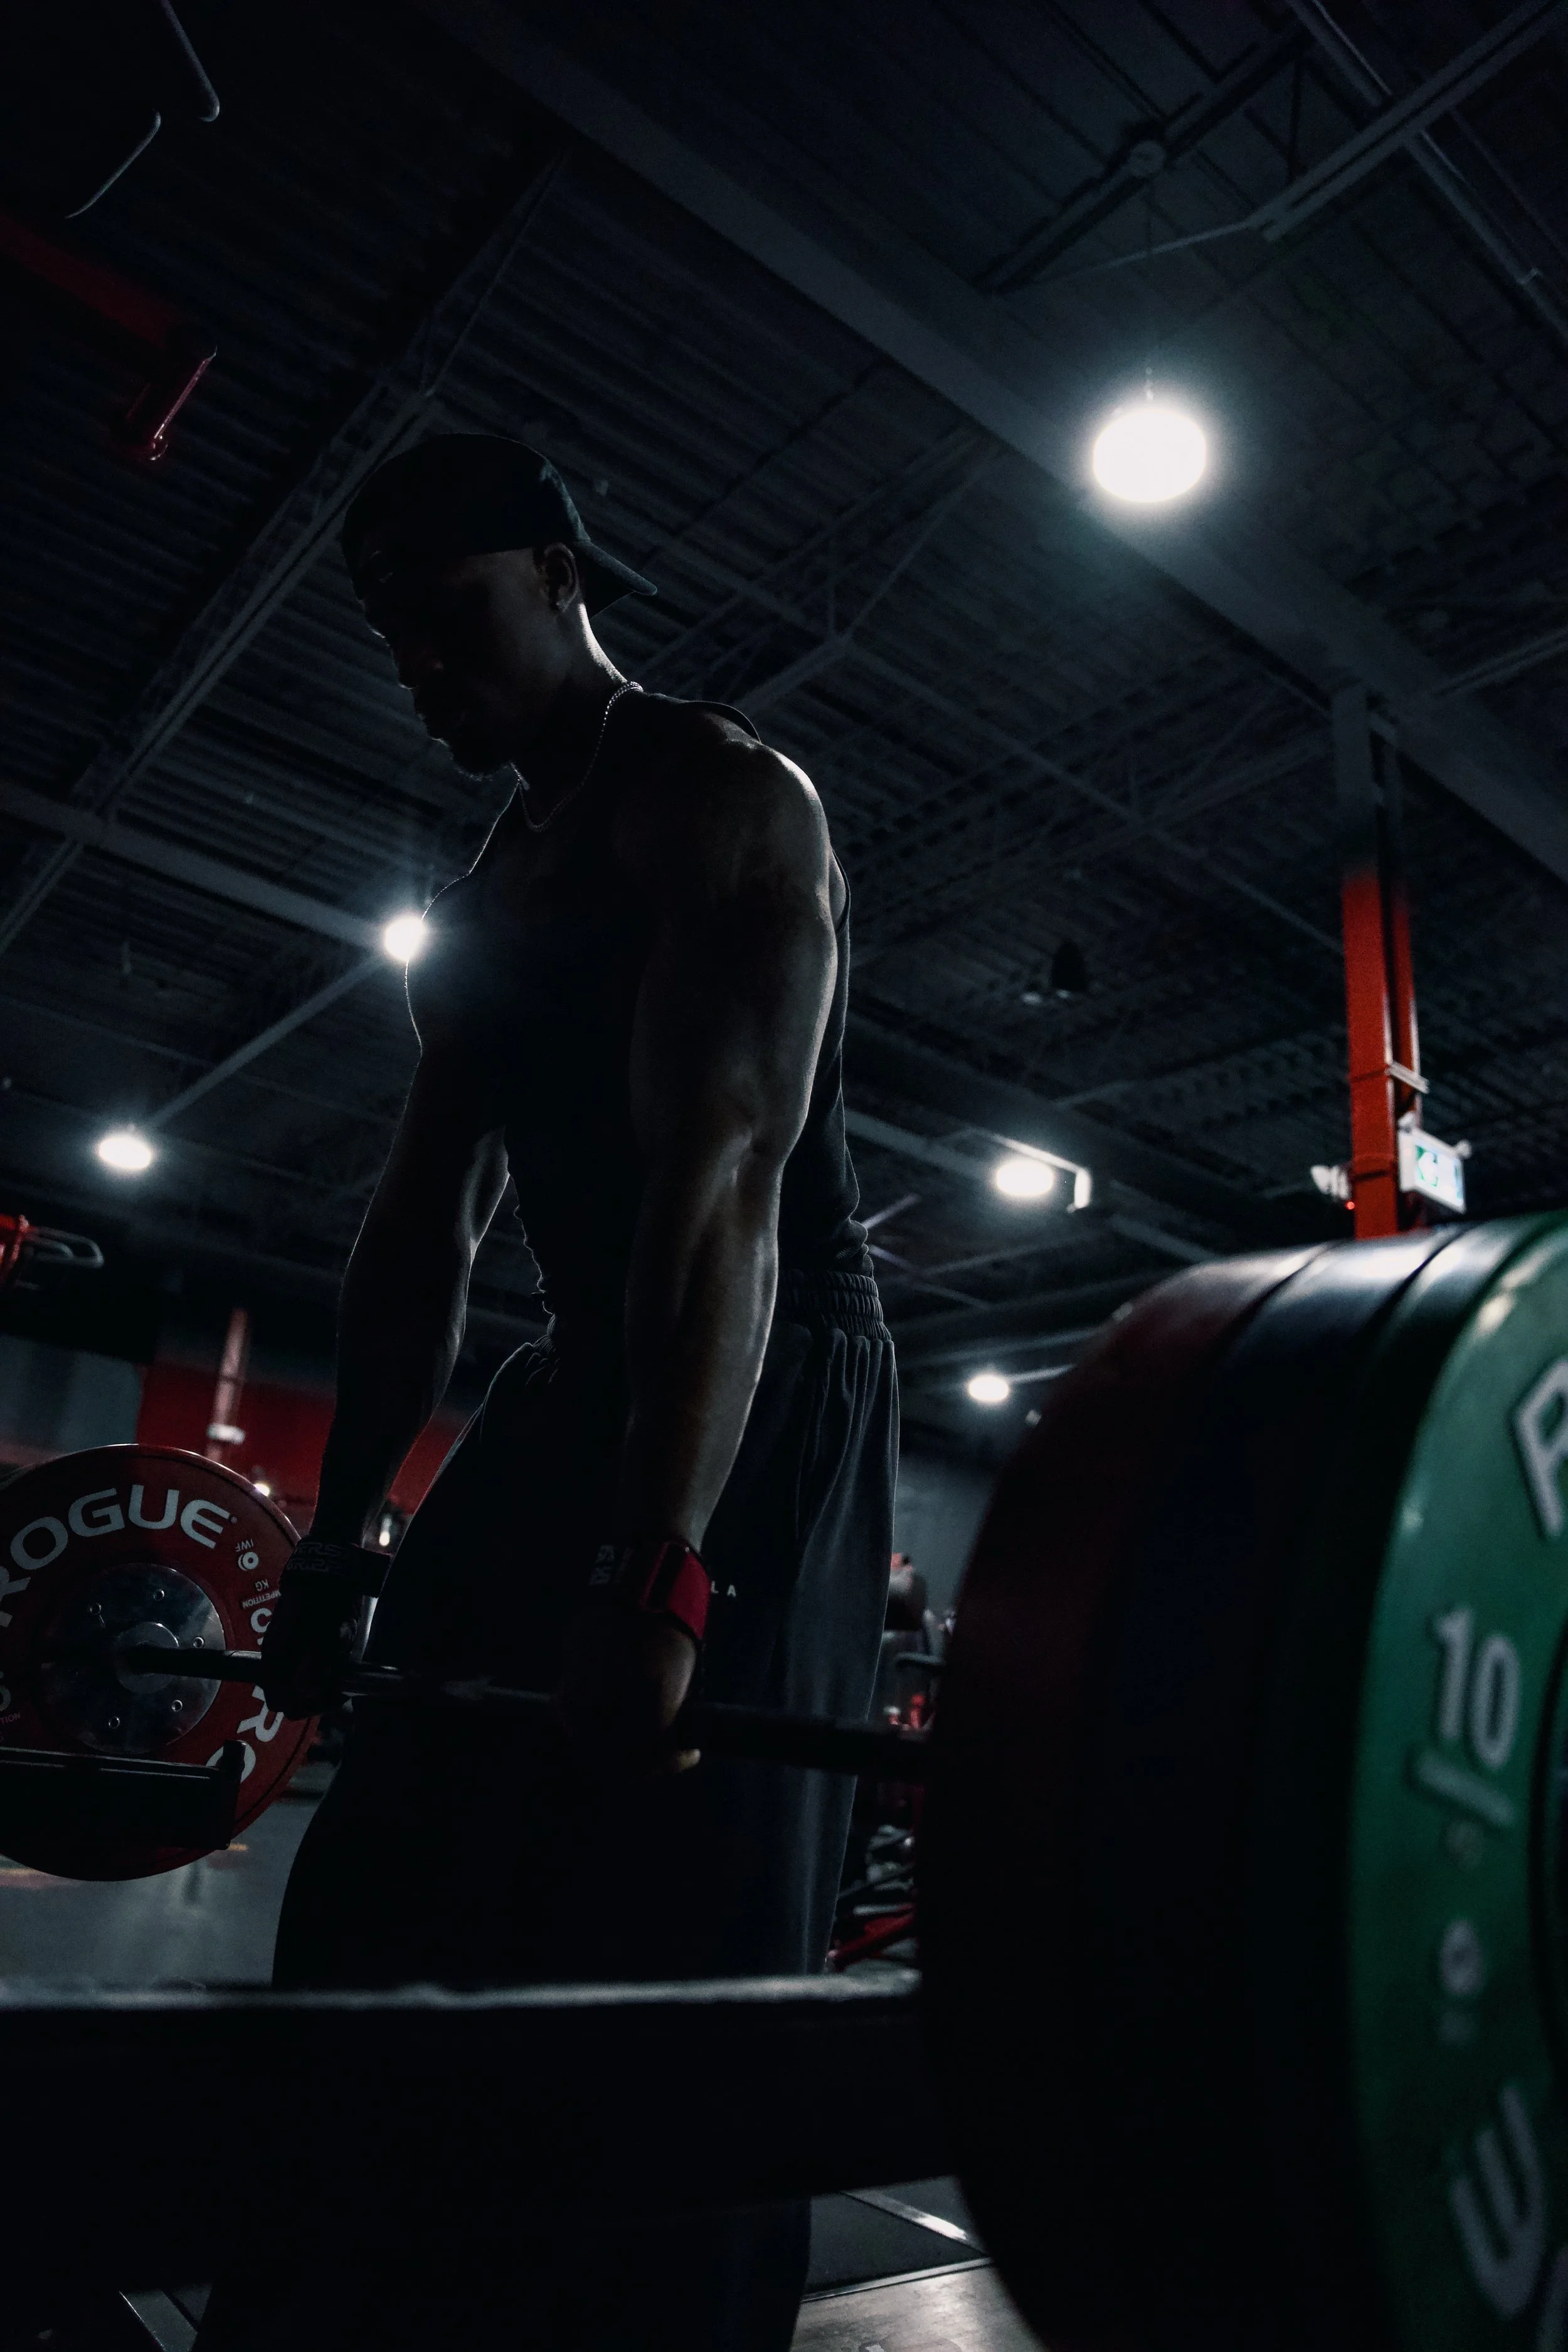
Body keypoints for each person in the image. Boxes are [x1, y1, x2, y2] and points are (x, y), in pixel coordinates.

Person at [195, 435, 897, 2351]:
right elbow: (416, 1233)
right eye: (393, 642)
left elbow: (726, 1177)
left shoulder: (720, 797)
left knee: (674, 1945)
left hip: (763, 1359)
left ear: (561, 570)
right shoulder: (496, 883)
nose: (422, 667)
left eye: (449, 618)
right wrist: (337, 1542)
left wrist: (658, 1573)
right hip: (585, 1359)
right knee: (381, 1883)